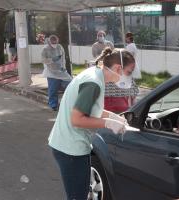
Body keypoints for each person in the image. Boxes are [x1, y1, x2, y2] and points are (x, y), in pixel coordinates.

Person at [48, 47, 135, 200]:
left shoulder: (95, 75)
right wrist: (108, 123)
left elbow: (90, 109)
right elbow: (76, 119)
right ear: (118, 68)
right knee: (78, 196)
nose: (129, 77)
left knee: (81, 192)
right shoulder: (93, 83)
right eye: (129, 72)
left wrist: (114, 117)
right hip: (71, 149)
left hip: (67, 145)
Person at [41, 35, 72, 111]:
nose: (55, 44)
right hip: (51, 72)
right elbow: (43, 60)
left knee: (70, 84)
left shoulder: (60, 47)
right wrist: (52, 60)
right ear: (49, 42)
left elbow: (63, 58)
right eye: (53, 43)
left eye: (56, 42)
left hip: (61, 71)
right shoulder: (45, 49)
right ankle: (53, 105)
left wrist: (63, 67)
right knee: (53, 90)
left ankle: (68, 103)